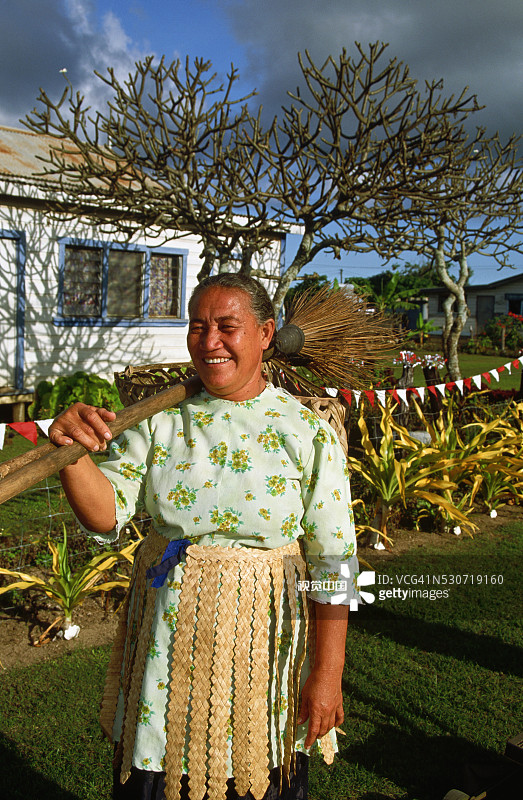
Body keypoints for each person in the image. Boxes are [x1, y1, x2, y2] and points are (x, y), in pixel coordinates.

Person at [49, 273, 359, 800]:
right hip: (168, 641)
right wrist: (71, 453)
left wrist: (328, 674)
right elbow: (105, 513)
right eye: (198, 326)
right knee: (163, 767)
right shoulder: (160, 422)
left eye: (226, 326)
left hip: (263, 645)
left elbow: (334, 563)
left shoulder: (306, 432)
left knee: (252, 772)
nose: (209, 340)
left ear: (266, 333)